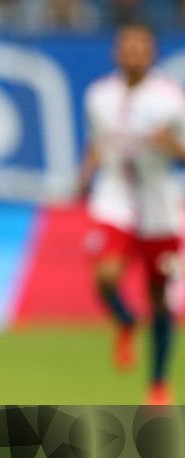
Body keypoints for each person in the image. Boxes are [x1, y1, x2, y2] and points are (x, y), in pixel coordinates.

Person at [76, 21, 185, 405]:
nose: (134, 53)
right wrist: (84, 176)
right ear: (117, 52)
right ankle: (125, 320)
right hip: (115, 195)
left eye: (141, 47)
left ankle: (157, 384)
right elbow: (97, 143)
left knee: (159, 295)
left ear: (151, 54)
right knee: (105, 275)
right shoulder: (98, 96)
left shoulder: (171, 100)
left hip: (159, 202)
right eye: (127, 47)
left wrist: (169, 142)